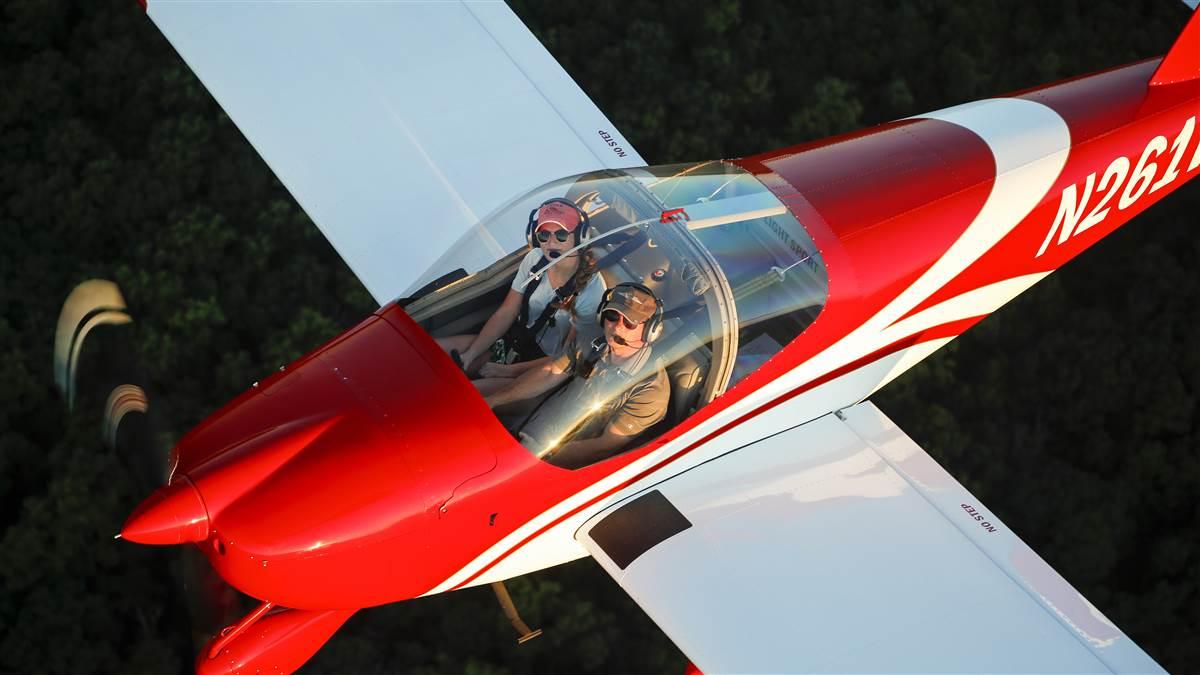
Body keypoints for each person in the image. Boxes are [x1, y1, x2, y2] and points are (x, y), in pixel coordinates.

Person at [484, 283, 670, 469]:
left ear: (651, 330)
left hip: (551, 459)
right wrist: (494, 401)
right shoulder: (592, 341)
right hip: (530, 425)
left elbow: (603, 446)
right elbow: (550, 373)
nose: (617, 326)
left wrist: (537, 463)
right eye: (612, 316)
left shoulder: (651, 389)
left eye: (630, 322)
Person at [436, 198, 606, 394]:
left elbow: (567, 358)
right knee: (436, 350)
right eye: (544, 235)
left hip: (541, 367)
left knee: (460, 395)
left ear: (580, 237)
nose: (551, 242)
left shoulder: (592, 291)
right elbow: (507, 312)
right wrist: (470, 354)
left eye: (561, 234)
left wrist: (509, 371)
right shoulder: (534, 260)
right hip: (511, 342)